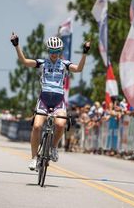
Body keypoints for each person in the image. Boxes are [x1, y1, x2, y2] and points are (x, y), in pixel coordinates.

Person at [10, 32, 90, 170]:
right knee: (36, 126)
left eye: (57, 51)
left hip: (59, 100)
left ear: (60, 51)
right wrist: (17, 45)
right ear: (48, 50)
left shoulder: (64, 64)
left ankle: (53, 147)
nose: (54, 53)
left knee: (60, 124)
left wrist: (84, 53)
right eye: (52, 51)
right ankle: (34, 158)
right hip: (44, 100)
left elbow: (79, 69)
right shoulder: (42, 63)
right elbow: (24, 61)